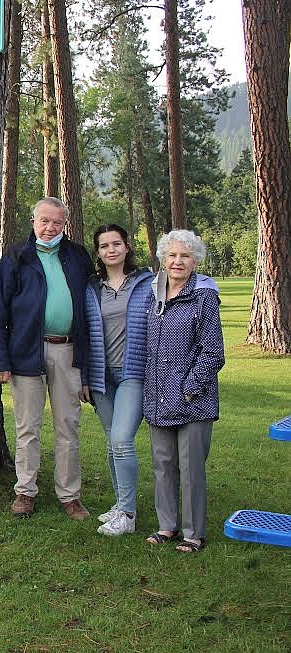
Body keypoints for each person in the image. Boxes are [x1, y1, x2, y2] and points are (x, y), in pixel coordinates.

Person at [0, 197, 95, 520]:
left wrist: (89, 366)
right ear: (33, 220)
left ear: (64, 224)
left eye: (56, 222)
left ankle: (69, 495)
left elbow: (90, 310)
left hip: (67, 350)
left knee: (67, 426)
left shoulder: (77, 257)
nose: (50, 228)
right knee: (27, 427)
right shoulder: (17, 257)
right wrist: (0, 361)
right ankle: (25, 491)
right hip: (26, 353)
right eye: (44, 221)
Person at [143, 230, 224, 554]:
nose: (178, 262)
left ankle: (194, 533)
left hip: (193, 400)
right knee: (163, 464)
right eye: (173, 255)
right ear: (163, 259)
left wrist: (189, 389)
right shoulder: (153, 294)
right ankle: (167, 526)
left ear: (195, 262)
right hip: (158, 397)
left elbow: (213, 352)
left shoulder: (203, 296)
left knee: (191, 468)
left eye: (185, 256)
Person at [83, 225, 153, 536]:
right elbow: (83, 334)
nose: (111, 250)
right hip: (101, 376)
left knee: (122, 440)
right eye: (104, 246)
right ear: (97, 253)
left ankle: (128, 514)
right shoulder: (91, 288)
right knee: (112, 443)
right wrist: (85, 377)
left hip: (133, 373)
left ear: (127, 247)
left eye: (116, 244)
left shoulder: (148, 283)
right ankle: (119, 504)